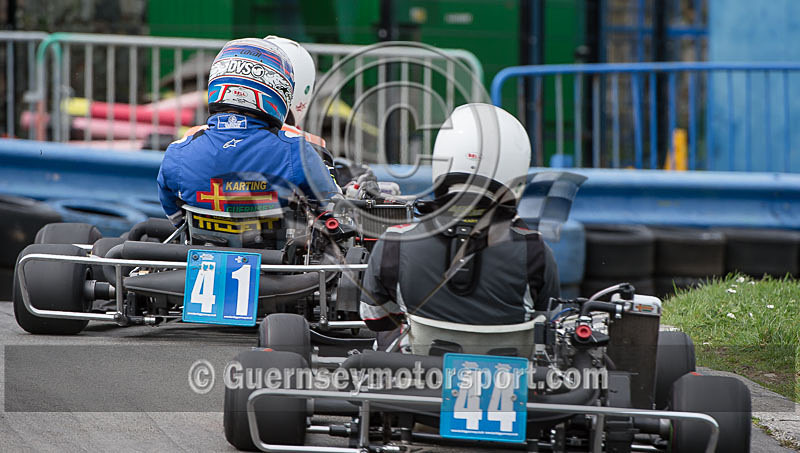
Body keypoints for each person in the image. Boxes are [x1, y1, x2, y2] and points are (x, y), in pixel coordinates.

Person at [359, 103, 561, 348]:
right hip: (506, 380)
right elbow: (548, 323)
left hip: (420, 378)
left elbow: (375, 319)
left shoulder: (396, 241)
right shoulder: (535, 249)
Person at [157, 37, 339, 225]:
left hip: (203, 250)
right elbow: (332, 207)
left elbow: (175, 216)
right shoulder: (297, 152)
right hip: (275, 251)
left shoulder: (178, 152)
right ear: (278, 89)